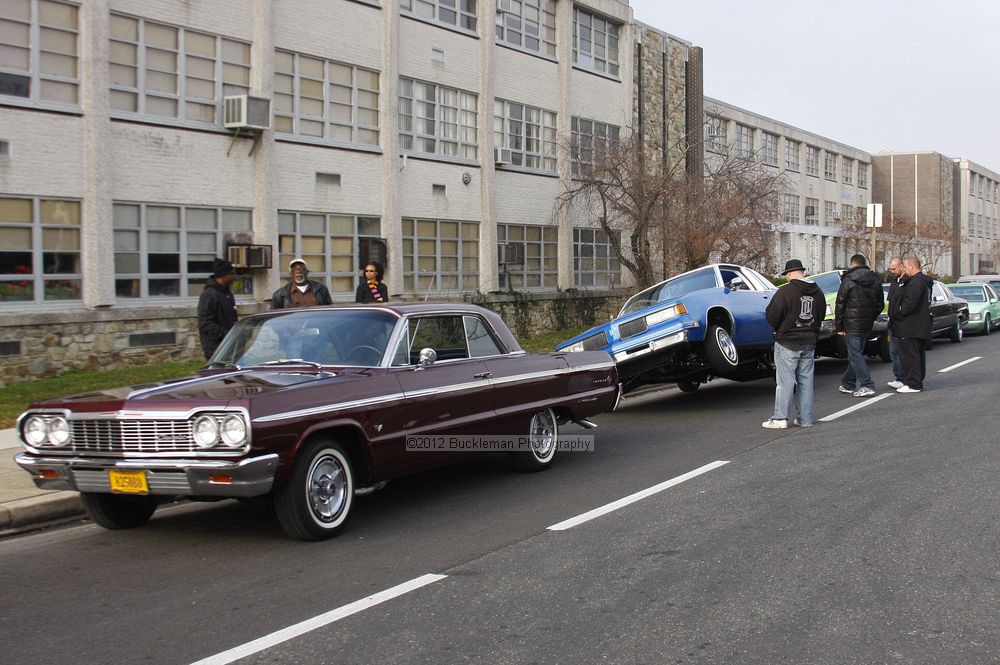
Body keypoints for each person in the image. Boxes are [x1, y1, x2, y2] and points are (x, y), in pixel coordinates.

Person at [762, 259, 826, 429]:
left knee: (785, 382)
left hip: (787, 341)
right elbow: (821, 315)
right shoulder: (818, 292)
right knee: (806, 381)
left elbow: (772, 316)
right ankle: (805, 418)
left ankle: (780, 417)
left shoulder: (785, 292)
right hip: (809, 341)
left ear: (789, 274)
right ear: (802, 272)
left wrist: (780, 329)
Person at [834, 254, 885, 397]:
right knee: (856, 354)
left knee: (855, 354)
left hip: (851, 323)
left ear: (852, 264)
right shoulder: (875, 279)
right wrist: (870, 317)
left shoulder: (848, 279)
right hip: (866, 323)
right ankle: (847, 383)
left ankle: (867, 384)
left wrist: (839, 326)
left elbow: (840, 303)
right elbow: (880, 303)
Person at [890, 256, 932, 393]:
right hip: (918, 326)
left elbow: (908, 305)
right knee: (915, 355)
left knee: (910, 356)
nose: (905, 269)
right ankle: (915, 381)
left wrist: (898, 311)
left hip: (910, 327)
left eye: (906, 266)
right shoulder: (922, 282)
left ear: (912, 267)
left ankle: (913, 384)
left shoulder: (915, 283)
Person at [198, 257, 238, 360]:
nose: (235, 276)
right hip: (216, 348)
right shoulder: (210, 295)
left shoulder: (226, 293)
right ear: (223, 275)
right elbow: (206, 323)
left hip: (230, 346)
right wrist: (227, 335)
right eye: (232, 273)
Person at [885, 256, 906, 388]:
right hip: (893, 322)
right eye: (890, 269)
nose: (891, 271)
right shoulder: (894, 281)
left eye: (894, 268)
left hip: (903, 323)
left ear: (901, 266)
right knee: (893, 352)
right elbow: (890, 301)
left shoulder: (907, 282)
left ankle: (903, 378)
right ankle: (899, 377)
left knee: (901, 352)